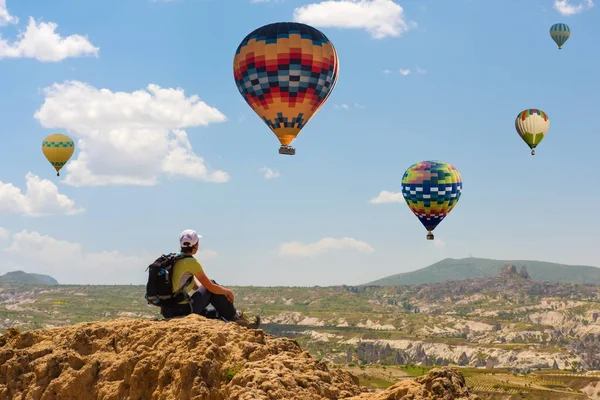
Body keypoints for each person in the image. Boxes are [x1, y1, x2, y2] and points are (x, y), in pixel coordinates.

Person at [160, 229, 260, 329]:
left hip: (167, 311)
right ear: (196, 245)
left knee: (212, 312)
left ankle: (231, 317)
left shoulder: (175, 260)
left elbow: (197, 287)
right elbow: (210, 287)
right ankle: (235, 318)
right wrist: (228, 292)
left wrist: (218, 295)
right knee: (211, 284)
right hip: (181, 310)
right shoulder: (191, 262)